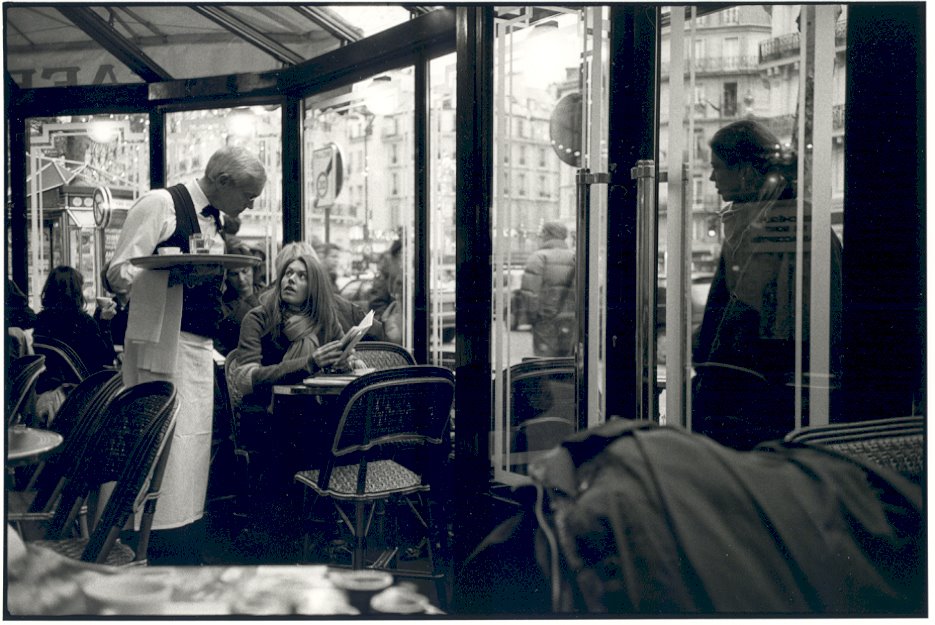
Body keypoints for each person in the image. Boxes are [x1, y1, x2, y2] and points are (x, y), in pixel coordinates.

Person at [105, 145, 267, 564]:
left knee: (190, 449)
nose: (250, 205)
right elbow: (118, 273)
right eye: (248, 195)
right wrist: (172, 273)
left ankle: (178, 538)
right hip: (161, 342)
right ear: (223, 181)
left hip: (198, 347)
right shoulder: (161, 204)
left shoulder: (215, 221)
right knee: (160, 445)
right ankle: (146, 543)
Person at [692, 119, 843, 450]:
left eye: (719, 168)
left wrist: (706, 371)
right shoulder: (781, 219)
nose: (712, 177)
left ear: (746, 170)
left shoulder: (772, 227)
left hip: (760, 397)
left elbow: (740, 315)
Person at [225, 245, 380, 557]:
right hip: (267, 417)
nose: (290, 281)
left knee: (335, 431)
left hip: (312, 416)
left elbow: (340, 360)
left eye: (300, 276)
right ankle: (318, 531)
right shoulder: (258, 318)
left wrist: (349, 361)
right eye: (287, 274)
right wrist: (308, 362)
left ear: (315, 286)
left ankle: (320, 528)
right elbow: (245, 378)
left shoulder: (324, 320)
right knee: (311, 434)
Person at [31, 266, 116, 423]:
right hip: (74, 400)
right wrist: (105, 323)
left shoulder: (39, 320)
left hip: (39, 398)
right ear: (77, 291)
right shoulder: (83, 322)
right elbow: (105, 360)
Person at [520, 221, 576, 357]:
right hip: (569, 318)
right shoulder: (574, 257)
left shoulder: (539, 257)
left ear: (547, 234)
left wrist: (534, 318)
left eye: (541, 233)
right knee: (565, 361)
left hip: (545, 319)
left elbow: (530, 293)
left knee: (545, 362)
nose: (540, 237)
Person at [215, 240, 262, 356]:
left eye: (245, 271)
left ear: (253, 271)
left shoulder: (267, 295)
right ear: (226, 277)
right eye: (234, 274)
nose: (241, 279)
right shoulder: (224, 306)